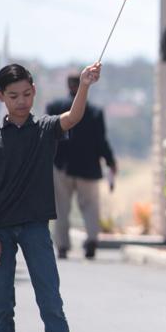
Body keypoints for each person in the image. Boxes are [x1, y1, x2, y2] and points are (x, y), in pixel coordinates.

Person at [0, 62, 101, 332]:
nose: (22, 101)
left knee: (50, 302)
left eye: (27, 93)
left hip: (35, 230)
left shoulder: (45, 129)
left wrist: (84, 85)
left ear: (34, 91)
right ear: (1, 96)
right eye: (13, 95)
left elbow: (72, 118)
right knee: (1, 307)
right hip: (0, 230)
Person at [46, 74, 117, 259]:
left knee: (61, 208)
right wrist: (110, 161)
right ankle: (92, 240)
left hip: (61, 165)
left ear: (68, 85)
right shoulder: (94, 111)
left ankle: (62, 245)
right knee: (91, 206)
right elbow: (102, 142)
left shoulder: (55, 107)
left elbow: (48, 137)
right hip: (88, 167)